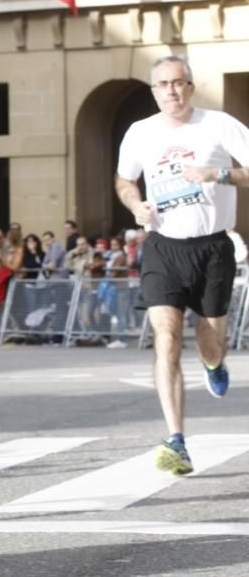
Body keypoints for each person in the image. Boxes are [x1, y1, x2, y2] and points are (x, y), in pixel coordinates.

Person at [115, 55, 249, 476]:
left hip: (212, 247)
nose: (171, 90)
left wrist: (218, 175)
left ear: (190, 86)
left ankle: (213, 363)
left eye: (179, 82)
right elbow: (124, 180)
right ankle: (176, 439)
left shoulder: (219, 124)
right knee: (166, 336)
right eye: (163, 84)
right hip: (163, 246)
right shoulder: (140, 132)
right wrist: (135, 205)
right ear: (153, 91)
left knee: (210, 338)